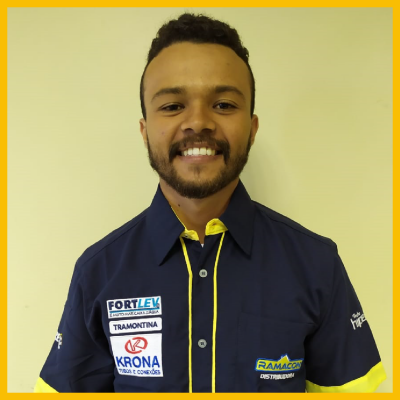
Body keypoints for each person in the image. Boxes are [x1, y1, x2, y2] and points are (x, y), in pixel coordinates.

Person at [34, 13, 386, 393]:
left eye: (223, 104)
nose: (198, 122)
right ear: (145, 131)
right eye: (172, 106)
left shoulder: (316, 265)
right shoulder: (98, 272)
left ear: (252, 129)